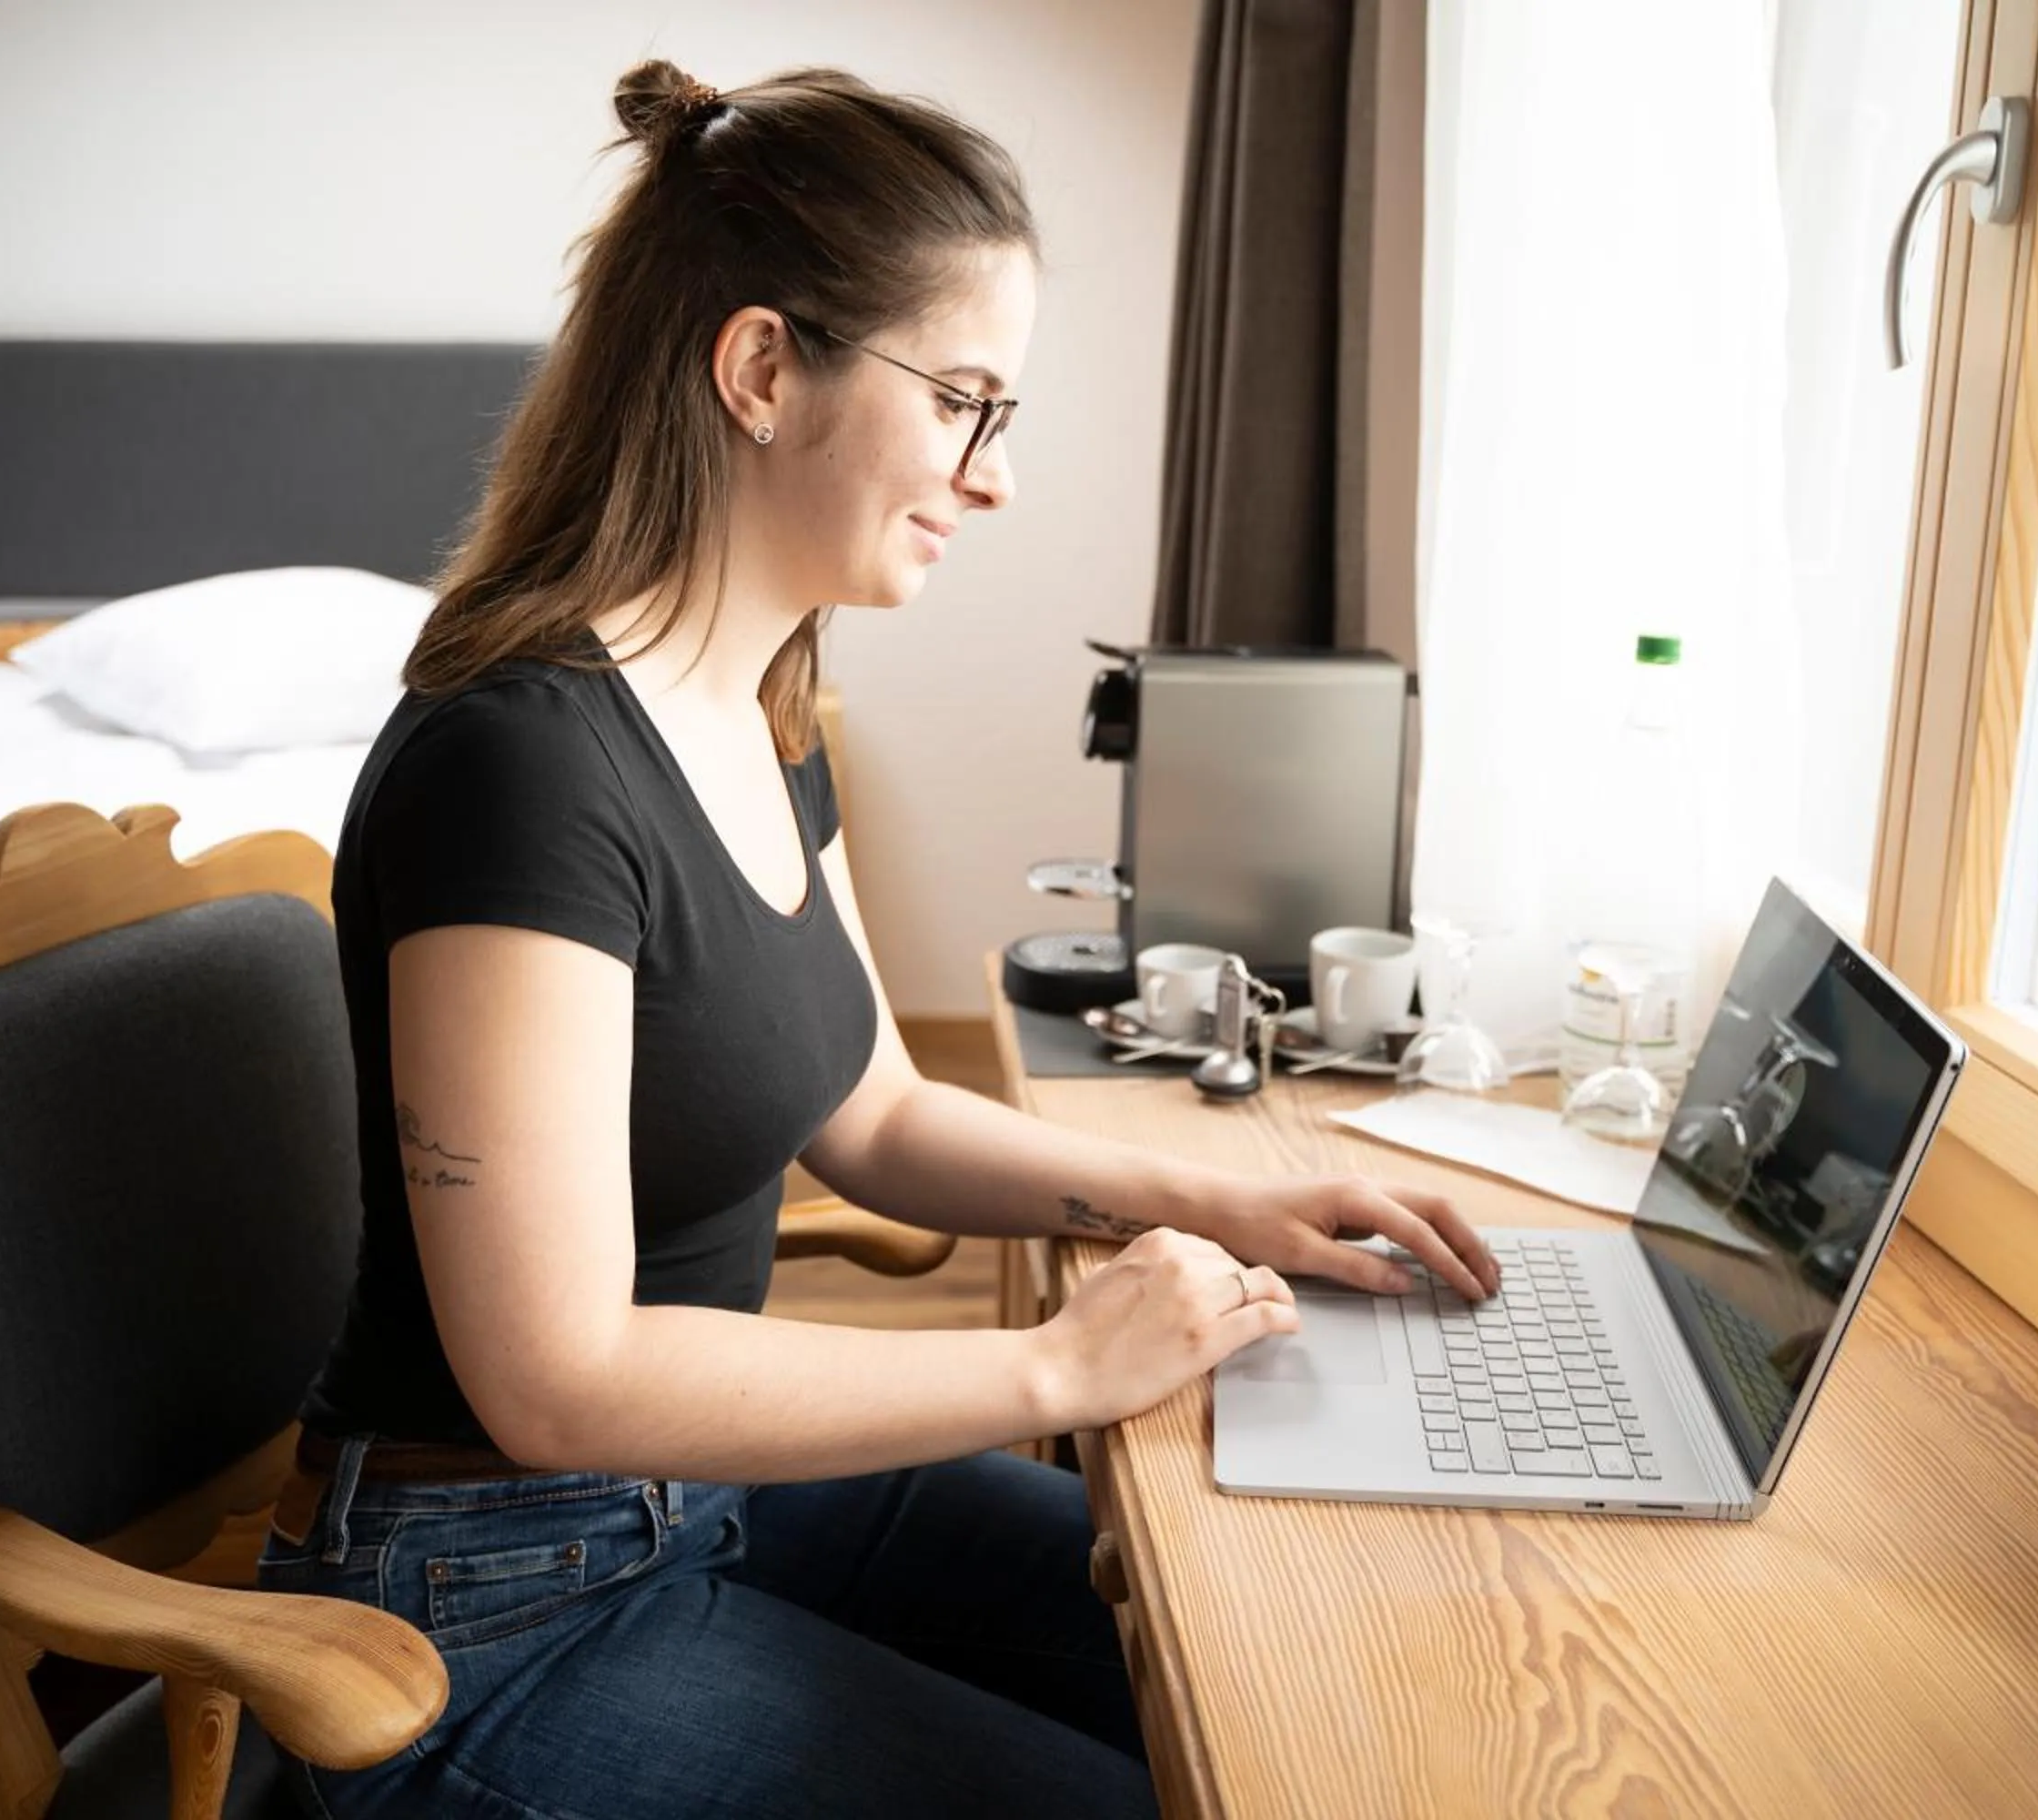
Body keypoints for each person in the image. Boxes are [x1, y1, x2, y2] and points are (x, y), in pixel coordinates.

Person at [259, 57, 1503, 1819]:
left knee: (1292, 1692)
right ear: (764, 369)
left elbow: (875, 1117)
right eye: (965, 404)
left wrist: (1223, 1203)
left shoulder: (761, 695)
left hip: (710, 1494)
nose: (990, 478)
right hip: (481, 1598)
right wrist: (1054, 1367)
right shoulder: (519, 766)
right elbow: (553, 1376)